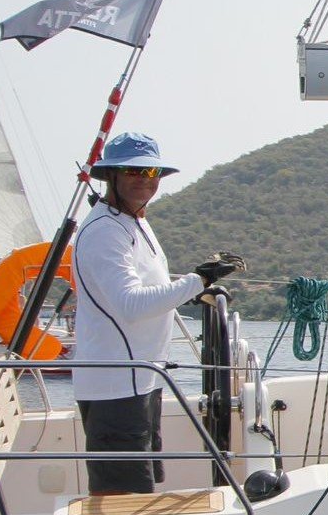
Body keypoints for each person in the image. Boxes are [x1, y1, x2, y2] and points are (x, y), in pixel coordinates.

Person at [72, 131, 242, 495]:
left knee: (141, 483)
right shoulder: (105, 231)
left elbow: (152, 289)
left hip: (141, 380)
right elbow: (131, 304)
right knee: (123, 493)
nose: (142, 181)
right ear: (111, 176)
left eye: (149, 173)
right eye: (131, 172)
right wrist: (198, 280)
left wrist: (199, 288)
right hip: (114, 386)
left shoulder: (134, 222)